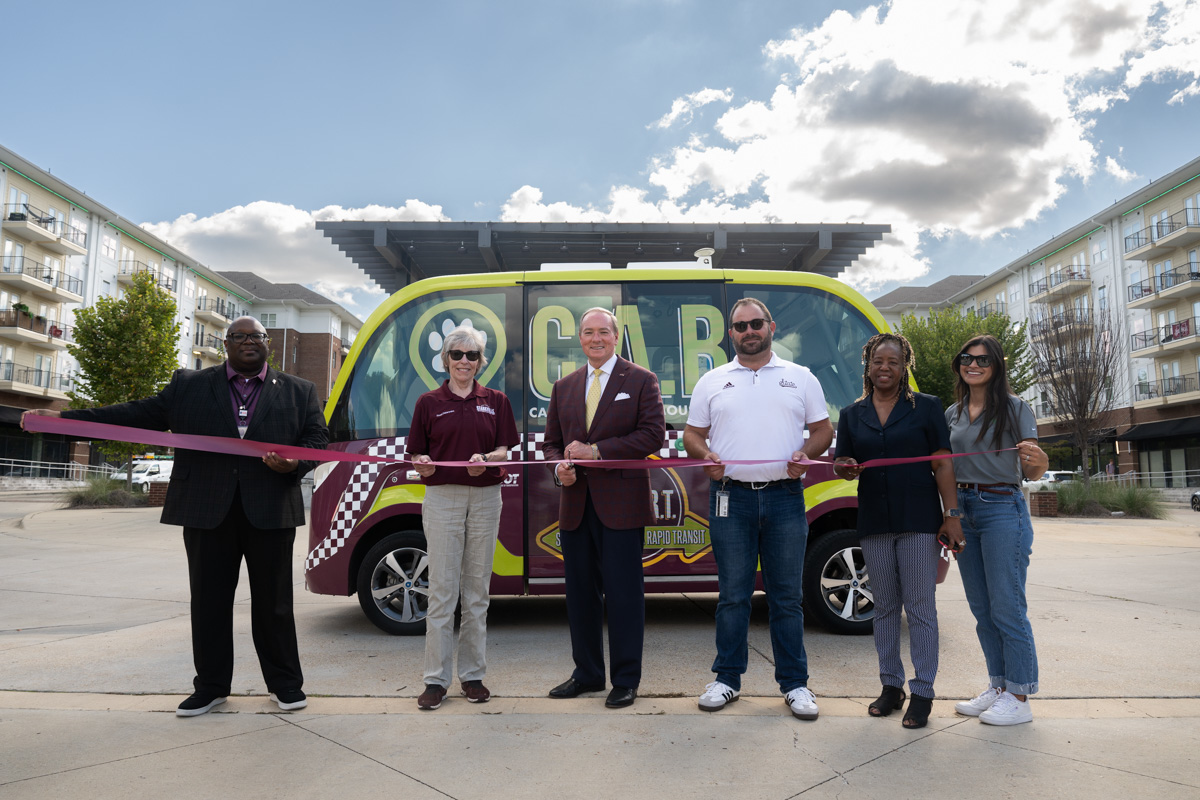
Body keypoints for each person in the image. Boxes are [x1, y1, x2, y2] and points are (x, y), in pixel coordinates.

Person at [22, 317, 327, 717]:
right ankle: (212, 687)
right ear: (226, 344)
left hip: (270, 509)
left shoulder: (299, 390)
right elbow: (136, 413)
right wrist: (70, 419)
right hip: (204, 509)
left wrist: (295, 463)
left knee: (274, 604)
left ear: (268, 343)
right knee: (208, 602)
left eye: (256, 336)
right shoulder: (189, 385)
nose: (248, 342)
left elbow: (317, 440)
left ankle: (285, 685)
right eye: (239, 337)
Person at [683, 298, 834, 720]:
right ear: (730, 334)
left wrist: (807, 451)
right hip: (731, 497)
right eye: (740, 326)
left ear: (771, 326)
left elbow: (823, 428)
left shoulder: (800, 377)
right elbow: (691, 435)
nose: (749, 331)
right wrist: (706, 455)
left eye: (756, 324)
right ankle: (727, 679)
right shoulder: (712, 380)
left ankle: (795, 684)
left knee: (787, 597)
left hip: (785, 496)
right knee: (733, 596)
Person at [832, 333, 963, 729]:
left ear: (905, 364)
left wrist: (951, 514)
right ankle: (891, 686)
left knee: (920, 607)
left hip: (919, 520)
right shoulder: (852, 414)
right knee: (885, 607)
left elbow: (942, 463)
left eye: (893, 361)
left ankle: (922, 690)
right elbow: (842, 461)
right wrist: (845, 466)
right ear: (867, 366)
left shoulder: (926, 408)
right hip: (875, 520)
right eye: (877, 361)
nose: (884, 368)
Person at [542, 307, 665, 709]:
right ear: (580, 339)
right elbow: (551, 444)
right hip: (575, 505)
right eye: (588, 333)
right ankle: (588, 674)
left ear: (616, 336)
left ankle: (626, 679)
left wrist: (596, 452)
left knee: (624, 594)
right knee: (579, 595)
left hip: (622, 505)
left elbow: (652, 435)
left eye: (603, 332)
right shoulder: (564, 386)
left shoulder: (642, 380)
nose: (596, 339)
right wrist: (561, 469)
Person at [407, 326, 519, 711]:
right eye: (457, 354)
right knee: (441, 592)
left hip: (487, 497)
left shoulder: (497, 400)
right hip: (442, 498)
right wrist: (421, 464)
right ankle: (435, 681)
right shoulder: (428, 402)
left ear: (481, 361)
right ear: (446, 359)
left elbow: (505, 449)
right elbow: (416, 455)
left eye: (472, 355)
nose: (465, 362)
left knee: (476, 594)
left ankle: (472, 676)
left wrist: (486, 460)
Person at [947, 334, 1048, 726]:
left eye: (982, 359)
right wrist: (951, 513)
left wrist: (1040, 460)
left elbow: (1032, 469)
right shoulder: (952, 414)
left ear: (996, 366)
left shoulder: (1015, 408)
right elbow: (947, 469)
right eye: (966, 357)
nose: (973, 364)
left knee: (1007, 606)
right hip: (964, 511)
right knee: (982, 608)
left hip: (1002, 507)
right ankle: (999, 685)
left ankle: (1020, 695)